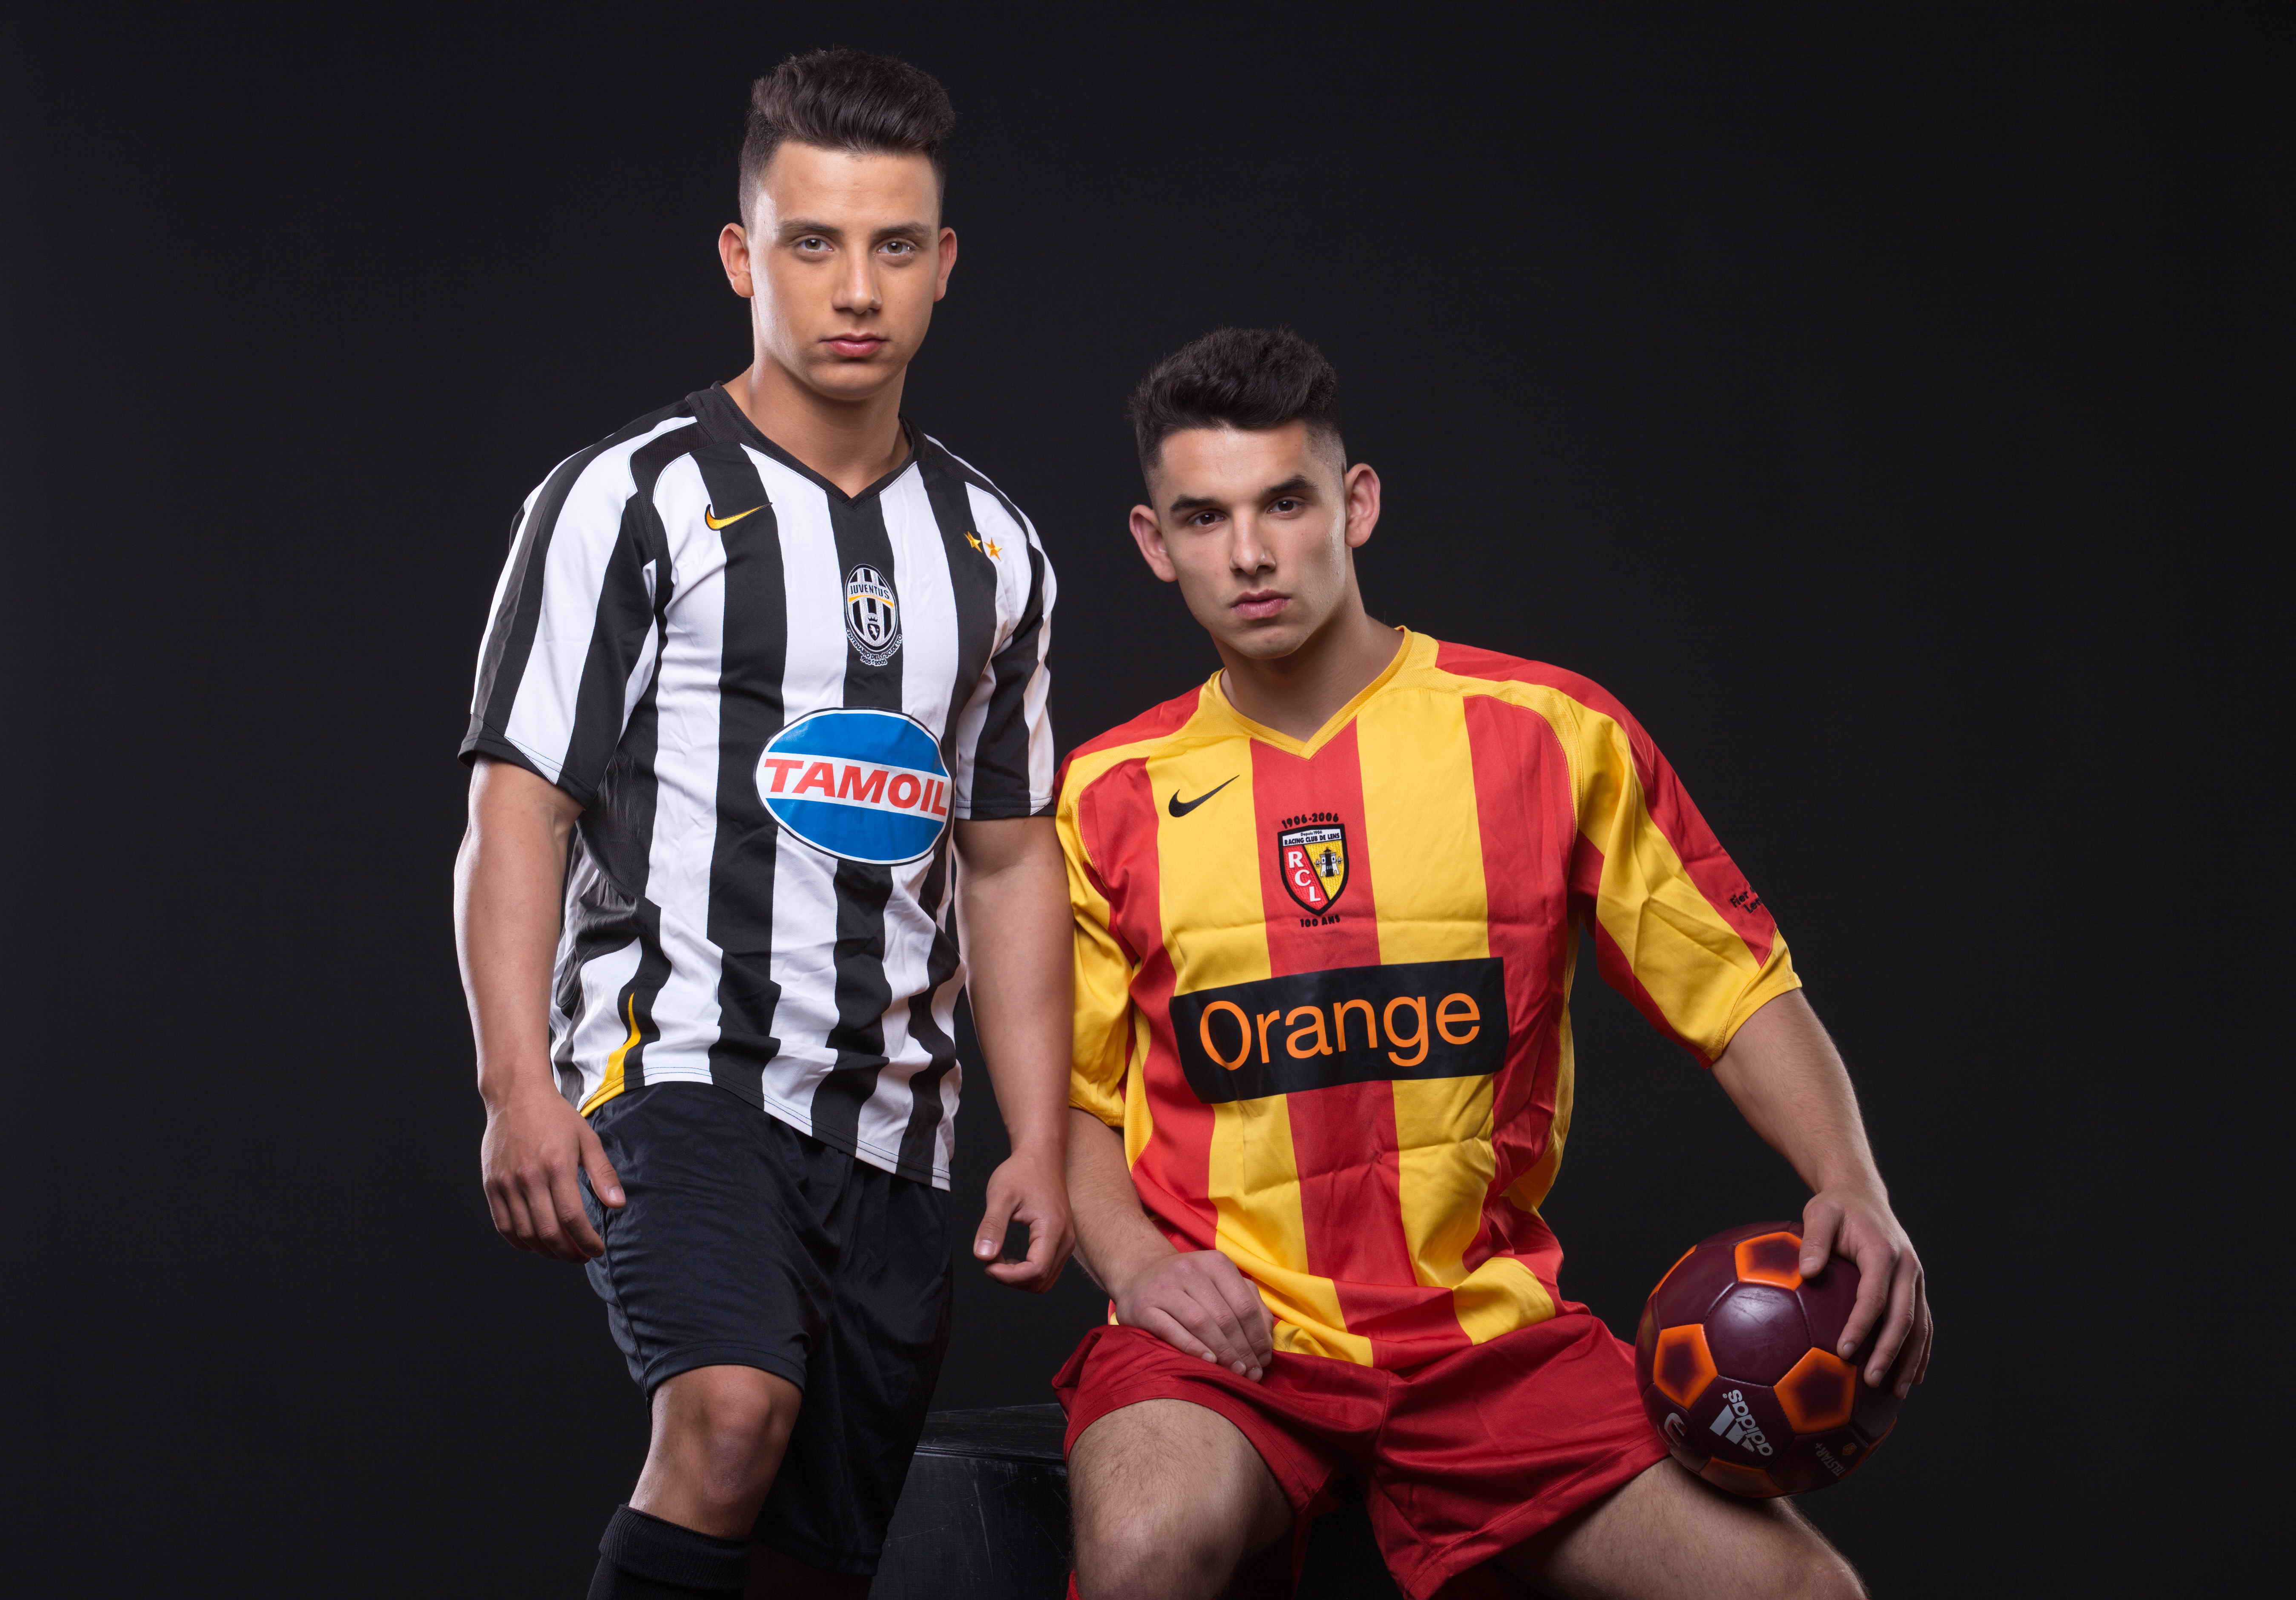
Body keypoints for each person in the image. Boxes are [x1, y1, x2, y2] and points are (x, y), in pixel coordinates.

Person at [1053, 328, 1931, 1600]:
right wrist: (1142, 1272)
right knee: (1144, 1545)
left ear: (1356, 505)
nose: (1248, 553)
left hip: (1486, 1349)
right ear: (1154, 542)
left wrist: (1851, 1180)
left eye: (1285, 503)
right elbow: (1080, 1105)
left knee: (1805, 1597)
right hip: (1231, 1347)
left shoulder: (1548, 734)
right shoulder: (1106, 795)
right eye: (1205, 517)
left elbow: (1736, 986)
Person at [452, 50, 1075, 1600]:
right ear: (743, 257)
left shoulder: (995, 548)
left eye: (893, 246)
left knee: (815, 1558)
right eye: (813, 243)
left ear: (944, 264)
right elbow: (518, 802)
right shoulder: (631, 498)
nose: (855, 289)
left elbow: (1008, 859)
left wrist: (1041, 1140)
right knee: (728, 1420)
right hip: (682, 1069)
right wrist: (516, 1083)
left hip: (900, 1124)